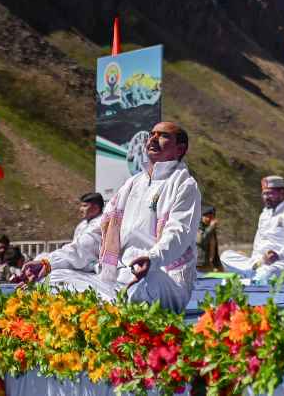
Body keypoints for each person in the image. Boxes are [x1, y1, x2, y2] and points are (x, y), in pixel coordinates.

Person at [20, 122, 202, 313]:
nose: (153, 139)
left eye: (163, 135)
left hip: (161, 279)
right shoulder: (132, 185)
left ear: (180, 148)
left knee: (142, 285)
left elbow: (178, 234)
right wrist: (48, 262)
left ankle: (103, 305)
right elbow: (96, 236)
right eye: (151, 134)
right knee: (52, 276)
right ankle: (107, 304)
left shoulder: (184, 185)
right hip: (116, 279)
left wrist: (152, 260)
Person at [221, 175, 284, 284]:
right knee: (225, 256)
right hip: (259, 262)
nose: (266, 197)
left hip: (279, 264)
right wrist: (253, 260)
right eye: (264, 194)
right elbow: (258, 242)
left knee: (266, 274)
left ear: (282, 193)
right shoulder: (264, 214)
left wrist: (278, 255)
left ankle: (244, 279)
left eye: (270, 193)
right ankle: (250, 274)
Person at [33, 192, 105, 271]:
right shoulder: (82, 225)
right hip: (77, 260)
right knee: (40, 258)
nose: (81, 209)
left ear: (96, 208)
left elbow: (80, 250)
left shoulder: (100, 224)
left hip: (90, 265)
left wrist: (49, 262)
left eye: (85, 206)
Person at [196, 204, 222, 272]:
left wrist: (218, 265)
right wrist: (210, 228)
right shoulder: (197, 226)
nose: (210, 219)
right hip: (199, 264)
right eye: (208, 217)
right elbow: (200, 240)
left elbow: (214, 248)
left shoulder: (210, 228)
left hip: (209, 264)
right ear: (202, 216)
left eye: (212, 217)